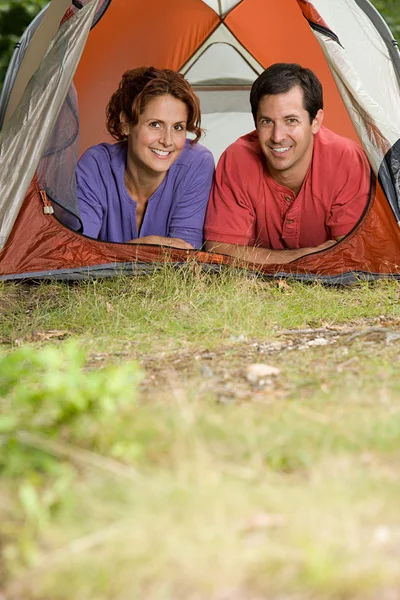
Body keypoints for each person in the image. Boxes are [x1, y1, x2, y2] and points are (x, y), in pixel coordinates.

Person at [204, 63, 371, 264]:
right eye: (267, 121)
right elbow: (220, 251)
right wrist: (309, 255)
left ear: (315, 121)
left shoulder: (346, 159)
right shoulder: (237, 159)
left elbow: (352, 253)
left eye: (291, 120)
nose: (277, 136)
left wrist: (254, 257)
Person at [76, 67, 215, 250]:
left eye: (178, 127)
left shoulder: (196, 163)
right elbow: (77, 252)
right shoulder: (96, 165)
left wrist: (114, 253)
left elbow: (186, 255)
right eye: (155, 124)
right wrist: (152, 246)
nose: (167, 141)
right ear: (126, 124)